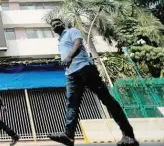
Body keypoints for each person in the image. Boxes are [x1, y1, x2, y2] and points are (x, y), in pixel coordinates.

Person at [48, 18, 139, 146]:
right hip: (71, 74)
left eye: (58, 23)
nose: (55, 25)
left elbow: (78, 44)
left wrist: (69, 56)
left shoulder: (72, 31)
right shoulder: (60, 40)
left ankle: (128, 135)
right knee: (71, 104)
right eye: (53, 25)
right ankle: (69, 136)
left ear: (63, 24)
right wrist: (65, 60)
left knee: (107, 99)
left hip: (85, 69)